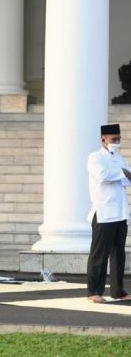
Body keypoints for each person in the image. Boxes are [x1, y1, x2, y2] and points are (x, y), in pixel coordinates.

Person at [86, 123, 131, 303]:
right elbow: (103, 175)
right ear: (103, 139)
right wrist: (122, 173)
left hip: (120, 212)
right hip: (103, 212)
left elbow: (129, 179)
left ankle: (117, 291)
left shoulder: (120, 158)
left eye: (119, 139)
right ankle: (94, 291)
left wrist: (122, 174)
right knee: (100, 254)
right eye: (114, 139)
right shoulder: (95, 157)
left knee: (118, 254)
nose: (117, 142)